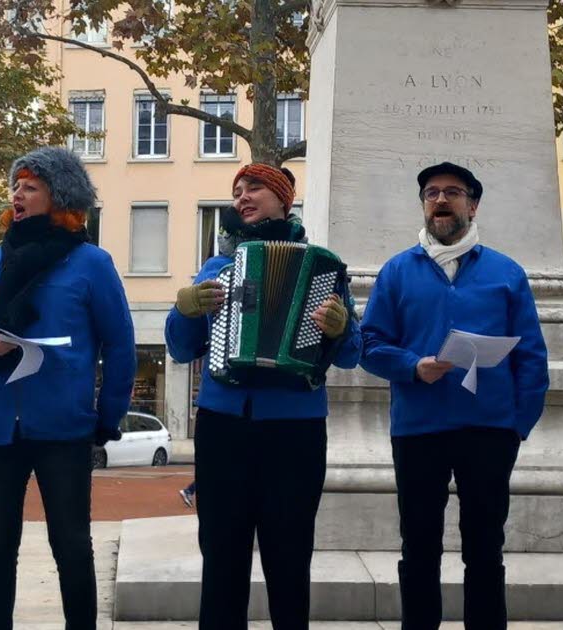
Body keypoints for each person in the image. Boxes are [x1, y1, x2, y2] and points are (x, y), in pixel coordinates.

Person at [0, 147, 135, 630]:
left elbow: (119, 345)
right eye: (16, 186)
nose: (18, 194)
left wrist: (107, 418)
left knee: (71, 543)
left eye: (30, 186)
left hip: (63, 425)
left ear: (59, 196)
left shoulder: (92, 263)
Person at [165, 163, 361, 629]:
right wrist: (184, 310)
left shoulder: (325, 268)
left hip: (296, 431)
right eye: (236, 192)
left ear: (283, 199)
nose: (241, 198)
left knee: (290, 560)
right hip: (223, 428)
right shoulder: (215, 268)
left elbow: (353, 353)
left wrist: (341, 328)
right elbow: (178, 346)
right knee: (221, 557)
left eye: (253, 188)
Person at [359, 162, 549, 630]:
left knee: (485, 548)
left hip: (489, 432)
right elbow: (369, 345)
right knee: (418, 548)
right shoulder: (397, 271)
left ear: (473, 204)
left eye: (452, 193)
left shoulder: (507, 273)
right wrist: (412, 366)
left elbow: (531, 356)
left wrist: (516, 427)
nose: (440, 201)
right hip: (418, 429)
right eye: (431, 193)